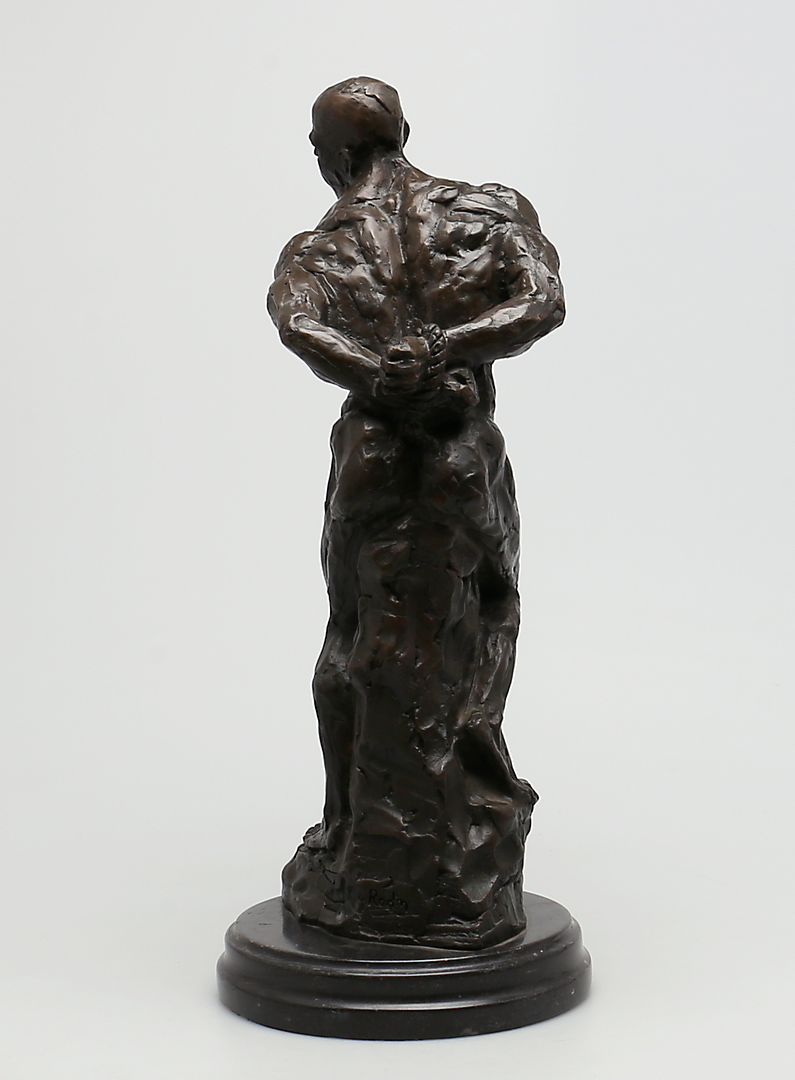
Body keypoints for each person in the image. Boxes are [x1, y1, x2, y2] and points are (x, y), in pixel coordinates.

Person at [268, 77, 565, 948]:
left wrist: (380, 372)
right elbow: (541, 301)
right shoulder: (488, 210)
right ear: (405, 130)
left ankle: (383, 853)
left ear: (328, 155)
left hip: (378, 457)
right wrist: (450, 349)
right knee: (471, 636)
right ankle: (399, 855)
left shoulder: (317, 252)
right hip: (458, 455)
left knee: (358, 646)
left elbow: (297, 325)